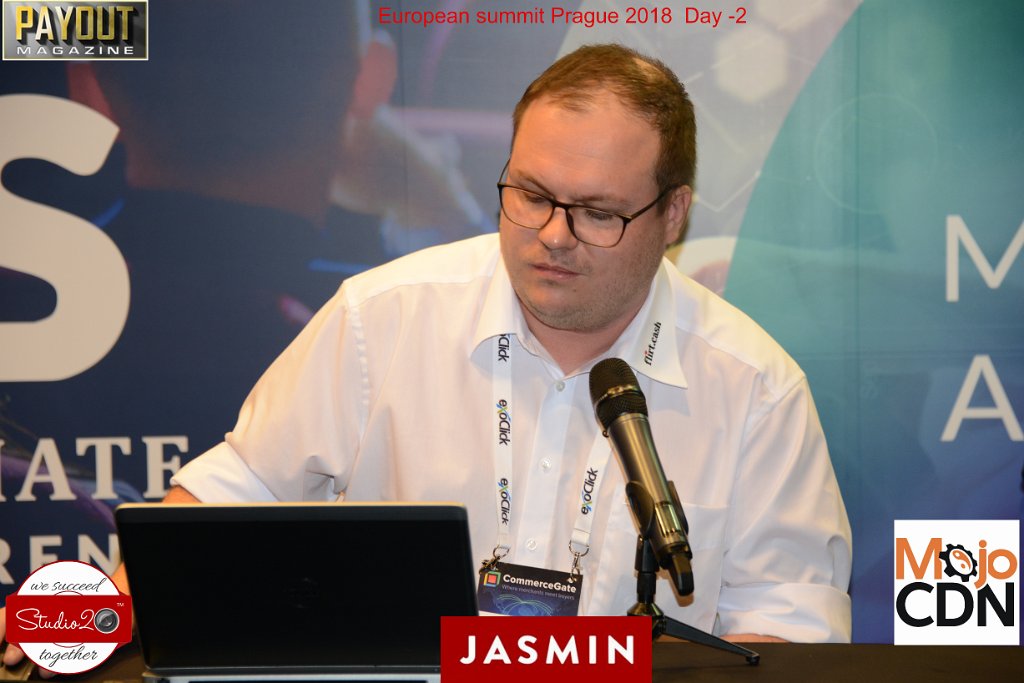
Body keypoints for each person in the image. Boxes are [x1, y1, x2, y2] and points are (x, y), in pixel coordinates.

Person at [1, 43, 851, 670]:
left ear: (673, 214)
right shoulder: (382, 317)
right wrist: (90, 620)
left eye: (598, 212)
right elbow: (233, 492)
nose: (553, 235)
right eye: (530, 194)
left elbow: (791, 631)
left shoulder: (755, 387)